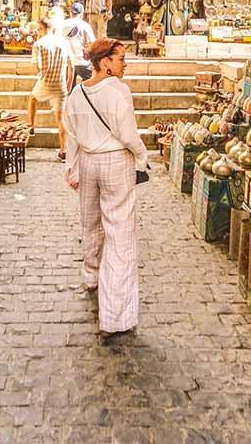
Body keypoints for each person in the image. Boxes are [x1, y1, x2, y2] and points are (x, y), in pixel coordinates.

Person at [63, 37, 148, 340]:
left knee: (90, 223)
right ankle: (115, 315)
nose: (125, 64)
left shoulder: (76, 94)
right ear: (105, 63)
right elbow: (128, 134)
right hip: (115, 162)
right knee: (119, 232)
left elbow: (71, 135)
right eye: (121, 59)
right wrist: (142, 155)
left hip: (87, 162)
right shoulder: (118, 91)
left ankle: (91, 276)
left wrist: (71, 167)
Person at [28, 6, 75, 159]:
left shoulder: (39, 45)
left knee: (33, 98)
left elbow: (38, 67)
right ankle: (63, 151)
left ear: (42, 28)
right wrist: (67, 85)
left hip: (45, 82)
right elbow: (72, 67)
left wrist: (41, 74)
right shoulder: (64, 43)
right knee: (60, 119)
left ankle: (31, 126)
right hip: (60, 85)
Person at [62, 2, 96, 82]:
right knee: (89, 82)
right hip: (82, 62)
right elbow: (92, 43)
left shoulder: (63, 25)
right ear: (82, 13)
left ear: (70, 13)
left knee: (68, 86)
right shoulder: (85, 25)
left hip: (66, 62)